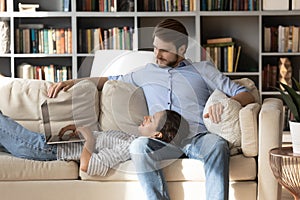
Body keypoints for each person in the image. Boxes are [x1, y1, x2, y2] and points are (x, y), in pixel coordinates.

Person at [47, 18, 255, 200]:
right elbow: (108, 80)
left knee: (217, 144)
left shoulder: (202, 70)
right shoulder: (145, 72)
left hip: (197, 137)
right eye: (155, 47)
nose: (157, 54)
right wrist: (72, 82)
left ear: (181, 49)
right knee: (138, 146)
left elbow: (246, 93)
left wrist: (230, 103)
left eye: (164, 50)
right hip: (161, 141)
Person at [0, 109, 187, 176]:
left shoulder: (130, 148)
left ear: (157, 135)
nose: (146, 117)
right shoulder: (131, 139)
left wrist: (88, 137)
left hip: (43, 150)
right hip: (50, 144)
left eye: (152, 119)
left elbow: (87, 165)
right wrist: (78, 132)